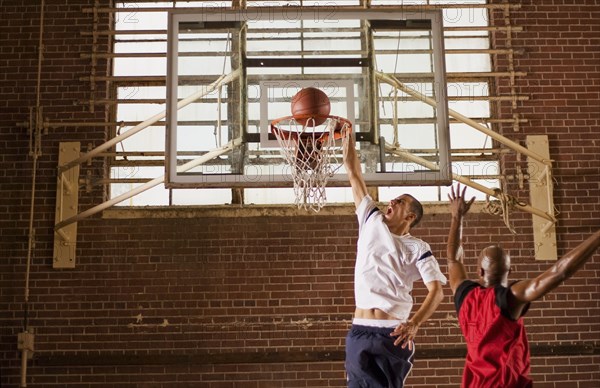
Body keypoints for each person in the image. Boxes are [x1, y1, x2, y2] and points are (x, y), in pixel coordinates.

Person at [446, 183, 600, 387]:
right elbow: (559, 272)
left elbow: (453, 260)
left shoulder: (464, 293)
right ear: (510, 271)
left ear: (479, 272)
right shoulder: (510, 298)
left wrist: (457, 218)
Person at [342, 132, 447, 388]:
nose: (392, 201)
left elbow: (437, 291)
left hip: (392, 333)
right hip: (359, 329)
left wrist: (415, 323)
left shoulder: (417, 247)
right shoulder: (370, 219)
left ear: (410, 217)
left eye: (399, 202)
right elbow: (354, 173)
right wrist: (346, 136)